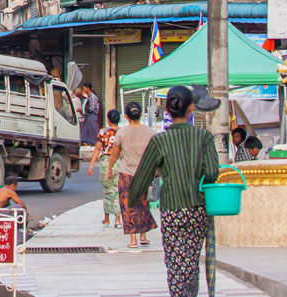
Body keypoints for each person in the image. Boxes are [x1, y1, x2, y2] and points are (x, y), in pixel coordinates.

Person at [127, 86, 220, 297]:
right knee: (191, 261)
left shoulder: (160, 140)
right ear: (191, 108)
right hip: (198, 209)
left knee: (176, 262)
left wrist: (132, 202)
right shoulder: (204, 137)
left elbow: (143, 175)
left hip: (172, 209)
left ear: (167, 110)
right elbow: (213, 173)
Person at [114, 100, 157, 248]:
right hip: (145, 173)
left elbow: (115, 154)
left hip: (126, 172)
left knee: (128, 205)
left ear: (125, 116)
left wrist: (108, 169)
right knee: (143, 203)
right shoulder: (150, 132)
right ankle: (143, 236)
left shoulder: (121, 133)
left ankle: (133, 240)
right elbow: (155, 155)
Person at [88, 108, 121, 228]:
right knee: (117, 191)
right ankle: (117, 220)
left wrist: (91, 165)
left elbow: (97, 148)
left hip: (106, 162)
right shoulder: (122, 132)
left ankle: (107, 219)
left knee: (107, 191)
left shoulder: (103, 132)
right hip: (119, 162)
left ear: (108, 120)